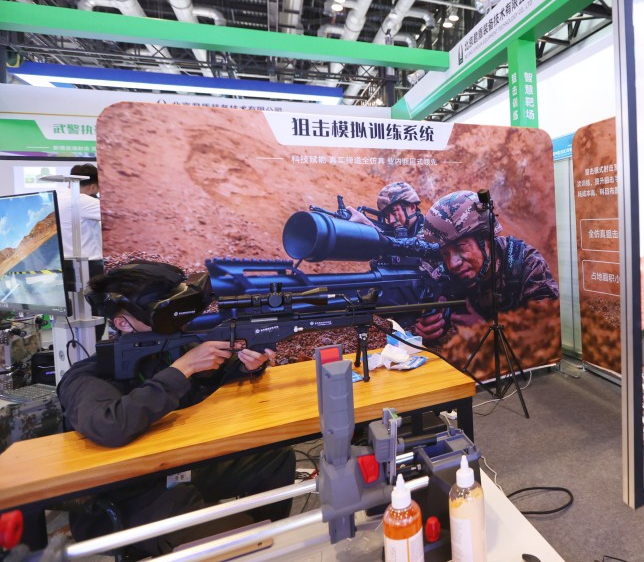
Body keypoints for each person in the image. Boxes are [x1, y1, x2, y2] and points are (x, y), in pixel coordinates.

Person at [57, 261, 295, 557]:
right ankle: (246, 544)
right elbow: (110, 424)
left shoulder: (170, 351)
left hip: (177, 469)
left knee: (276, 460)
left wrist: (247, 366)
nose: (180, 325)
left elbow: (210, 377)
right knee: (234, 539)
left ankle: (265, 538)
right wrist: (183, 368)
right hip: (128, 496)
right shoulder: (88, 376)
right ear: (122, 323)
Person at [413, 190, 559, 344]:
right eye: (445, 254)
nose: (452, 264)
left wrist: (487, 332)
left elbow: (550, 334)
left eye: (461, 247)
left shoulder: (525, 264)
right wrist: (431, 328)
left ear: (486, 239)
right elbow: (428, 316)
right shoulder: (444, 275)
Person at [55, 163, 102, 260]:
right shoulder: (82, 200)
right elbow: (119, 214)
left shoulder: (58, 196)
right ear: (93, 187)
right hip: (88, 264)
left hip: (64, 261)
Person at [346, 181, 426, 238]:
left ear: (412, 207)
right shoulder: (394, 232)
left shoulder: (431, 232)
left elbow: (411, 247)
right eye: (387, 216)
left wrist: (370, 225)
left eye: (394, 212)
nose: (391, 221)